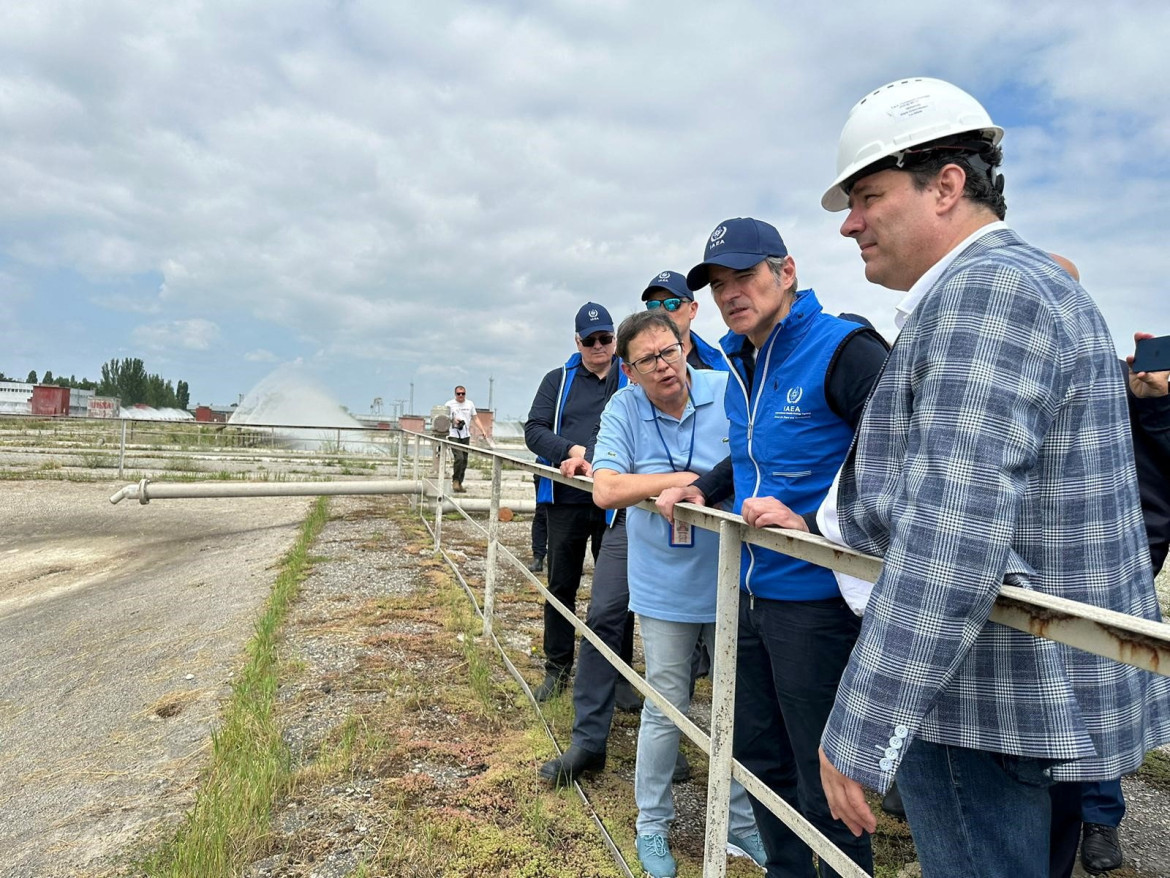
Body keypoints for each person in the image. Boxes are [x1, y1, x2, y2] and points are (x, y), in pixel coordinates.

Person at [796, 76, 1170, 877]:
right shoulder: (1030, 286)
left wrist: (861, 727)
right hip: (1029, 691)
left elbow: (952, 539)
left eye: (867, 195)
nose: (851, 225)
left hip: (988, 701)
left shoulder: (988, 294)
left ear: (947, 186)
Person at [659, 217, 887, 878]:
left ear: (786, 272)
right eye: (720, 283)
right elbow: (749, 453)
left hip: (817, 600)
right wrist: (704, 488)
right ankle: (787, 869)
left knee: (827, 771)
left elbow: (901, 455)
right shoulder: (739, 361)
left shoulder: (844, 348)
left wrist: (814, 526)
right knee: (758, 752)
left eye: (746, 275)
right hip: (749, 588)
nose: (733, 293)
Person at [588, 309, 765, 877]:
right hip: (663, 583)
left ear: (686, 346)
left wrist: (700, 483)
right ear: (628, 370)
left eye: (672, 350)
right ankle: (652, 826)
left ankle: (740, 825)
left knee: (737, 709)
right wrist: (686, 483)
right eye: (648, 360)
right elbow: (608, 488)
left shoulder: (723, 389)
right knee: (667, 705)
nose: (666, 366)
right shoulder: (625, 406)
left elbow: (757, 457)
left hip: (732, 577)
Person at [1049, 327, 1170, 878]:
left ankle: (1099, 815)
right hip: (1046, 555)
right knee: (1040, 679)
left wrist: (1157, 404)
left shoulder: (1122, 385)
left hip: (1127, 554)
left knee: (1101, 683)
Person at [524, 302, 626, 701]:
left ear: (615, 339)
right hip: (565, 498)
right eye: (590, 340)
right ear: (577, 341)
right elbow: (534, 429)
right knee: (561, 584)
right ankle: (557, 667)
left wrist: (599, 458)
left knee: (617, 590)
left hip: (614, 499)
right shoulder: (558, 380)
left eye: (606, 338)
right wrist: (570, 450)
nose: (599, 346)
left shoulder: (630, 376)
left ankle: (617, 674)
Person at [443, 385, 485, 493]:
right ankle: (455, 480)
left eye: (463, 394)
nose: (461, 396)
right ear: (455, 394)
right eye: (458, 394)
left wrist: (483, 430)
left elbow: (475, 418)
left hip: (465, 434)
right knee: (459, 458)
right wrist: (453, 420)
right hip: (453, 434)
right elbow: (444, 418)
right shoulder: (449, 404)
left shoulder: (470, 404)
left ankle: (460, 482)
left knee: (465, 461)